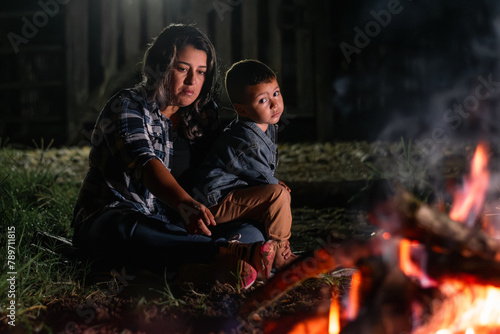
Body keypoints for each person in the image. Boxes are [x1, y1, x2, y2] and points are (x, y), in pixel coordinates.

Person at [71, 24, 276, 289]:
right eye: (182, 69)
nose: (193, 81)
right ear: (160, 65)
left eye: (201, 72)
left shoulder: (203, 114)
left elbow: (220, 170)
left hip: (177, 226)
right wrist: (184, 203)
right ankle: (220, 255)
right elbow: (145, 163)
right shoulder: (128, 105)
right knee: (126, 228)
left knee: (251, 231)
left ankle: (194, 269)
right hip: (116, 218)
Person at [192, 59, 297, 270]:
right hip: (214, 202)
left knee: (276, 196)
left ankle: (270, 248)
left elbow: (257, 172)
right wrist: (275, 184)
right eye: (262, 100)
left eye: (276, 93)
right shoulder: (247, 140)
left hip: (231, 194)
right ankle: (279, 251)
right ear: (242, 110)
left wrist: (273, 182)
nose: (275, 104)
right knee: (279, 196)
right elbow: (263, 176)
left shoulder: (265, 124)